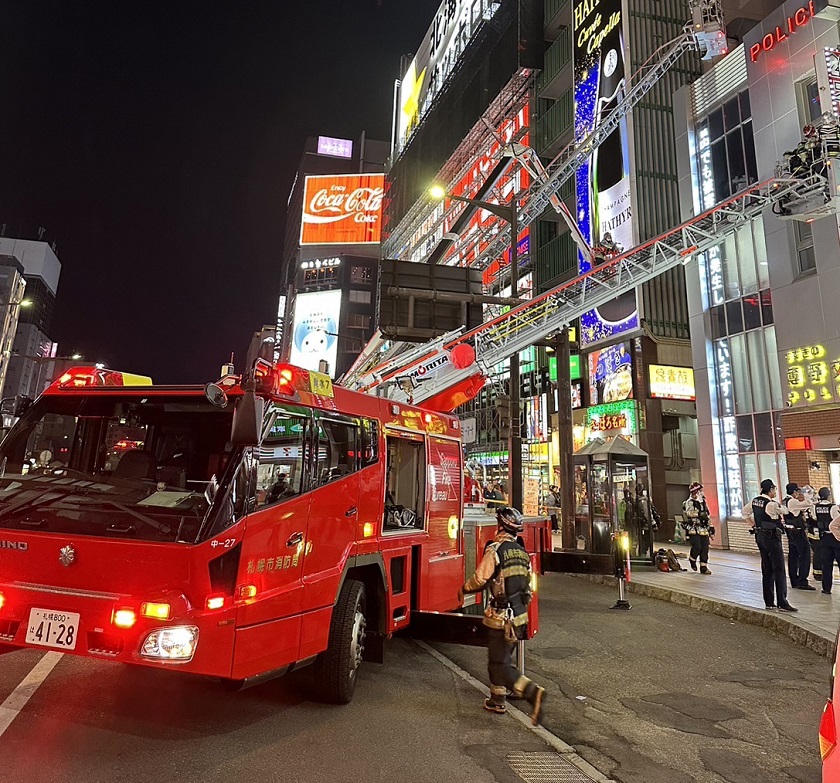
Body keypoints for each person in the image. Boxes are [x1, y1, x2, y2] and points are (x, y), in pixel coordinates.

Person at [458, 507, 546, 725]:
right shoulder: (522, 553)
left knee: (499, 664)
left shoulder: (496, 550)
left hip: (501, 616)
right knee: (501, 659)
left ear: (500, 525)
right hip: (519, 617)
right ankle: (497, 699)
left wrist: (464, 589)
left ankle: (533, 692)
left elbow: (480, 579)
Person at [742, 479, 798, 612]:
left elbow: (745, 513)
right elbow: (784, 511)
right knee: (779, 569)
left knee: (766, 568)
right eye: (774, 489)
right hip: (771, 537)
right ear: (771, 489)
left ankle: (769, 602)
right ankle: (782, 602)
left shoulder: (755, 501)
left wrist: (753, 525)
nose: (775, 492)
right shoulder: (771, 504)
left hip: (760, 536)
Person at [781, 482, 815, 591]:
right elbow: (808, 504)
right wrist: (806, 493)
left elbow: (799, 510)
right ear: (795, 491)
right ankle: (802, 581)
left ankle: (794, 580)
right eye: (797, 491)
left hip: (789, 531)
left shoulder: (784, 501)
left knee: (793, 556)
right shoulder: (793, 502)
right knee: (805, 556)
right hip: (798, 532)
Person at [682, 482, 713, 574]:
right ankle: (692, 559)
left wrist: (710, 526)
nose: (701, 492)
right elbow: (688, 513)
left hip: (703, 528)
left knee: (705, 547)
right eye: (700, 490)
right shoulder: (689, 502)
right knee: (697, 546)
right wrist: (699, 514)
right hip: (693, 528)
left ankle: (704, 567)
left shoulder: (703, 502)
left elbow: (707, 515)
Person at [812, 487, 838, 590]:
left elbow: (814, 518)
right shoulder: (833, 507)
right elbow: (837, 520)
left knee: (826, 564)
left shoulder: (815, 507)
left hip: (823, 537)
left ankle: (826, 588)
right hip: (834, 537)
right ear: (829, 495)